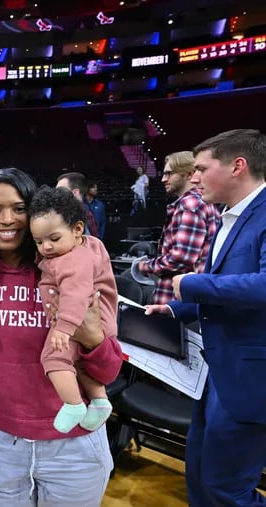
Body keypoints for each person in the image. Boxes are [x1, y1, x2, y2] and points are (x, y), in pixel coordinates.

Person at [0, 168, 123, 506]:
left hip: (74, 445)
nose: (6, 220)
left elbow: (109, 370)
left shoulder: (67, 267)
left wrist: (92, 338)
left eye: (19, 208)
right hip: (2, 444)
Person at [145, 129, 266, 506]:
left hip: (250, 379)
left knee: (226, 489)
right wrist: (177, 308)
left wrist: (195, 286)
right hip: (217, 372)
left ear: (237, 166)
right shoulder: (229, 217)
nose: (193, 177)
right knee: (199, 476)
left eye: (201, 168)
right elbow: (227, 292)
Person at [28, 186, 118, 434]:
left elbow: (75, 294)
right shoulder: (84, 248)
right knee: (76, 363)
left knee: (54, 358)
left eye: (53, 239)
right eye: (39, 242)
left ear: (78, 229)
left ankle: (73, 404)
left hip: (79, 322)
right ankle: (99, 401)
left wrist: (63, 328)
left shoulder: (73, 259)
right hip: (95, 323)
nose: (46, 247)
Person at [133, 151, 220, 305]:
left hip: (179, 302)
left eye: (169, 174)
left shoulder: (190, 205)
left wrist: (144, 266)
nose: (163, 179)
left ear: (189, 174)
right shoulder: (200, 201)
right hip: (188, 298)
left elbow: (182, 257)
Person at [55, 172, 99, 237]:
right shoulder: (58, 213)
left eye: (60, 190)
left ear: (75, 192)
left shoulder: (86, 216)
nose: (56, 194)